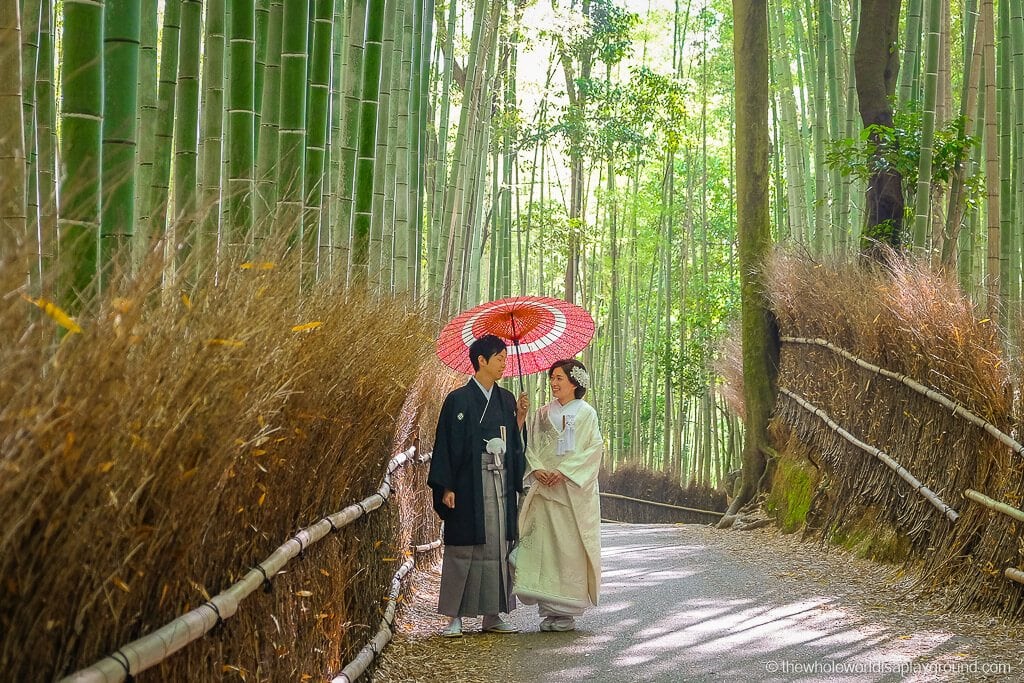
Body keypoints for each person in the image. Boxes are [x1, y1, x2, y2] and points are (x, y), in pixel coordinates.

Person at [427, 334, 530, 637]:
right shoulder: (458, 399)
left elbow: (513, 442)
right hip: (467, 484)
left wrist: (520, 418)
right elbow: (445, 446)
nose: (504, 364)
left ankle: (492, 614)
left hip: (498, 483)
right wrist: (445, 487)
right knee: (464, 548)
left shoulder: (506, 399)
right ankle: (454, 616)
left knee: (498, 547)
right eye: (499, 358)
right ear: (481, 360)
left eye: (505, 358)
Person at [513, 359, 602, 632]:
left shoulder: (586, 413)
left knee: (568, 548)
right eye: (552, 378)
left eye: (560, 378)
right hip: (545, 491)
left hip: (572, 493)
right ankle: (550, 609)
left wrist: (564, 471)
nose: (553, 383)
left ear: (575, 382)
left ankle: (567, 610)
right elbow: (531, 447)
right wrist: (537, 469)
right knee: (546, 549)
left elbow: (593, 449)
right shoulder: (540, 414)